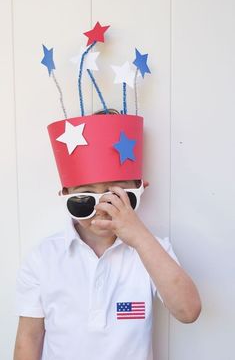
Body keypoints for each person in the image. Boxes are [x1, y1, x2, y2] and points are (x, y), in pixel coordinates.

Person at [13, 109, 201, 360]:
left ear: (139, 189)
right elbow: (29, 337)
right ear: (65, 195)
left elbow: (188, 311)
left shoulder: (153, 251)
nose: (102, 209)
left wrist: (138, 236)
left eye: (115, 196)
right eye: (84, 198)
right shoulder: (44, 257)